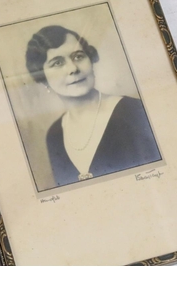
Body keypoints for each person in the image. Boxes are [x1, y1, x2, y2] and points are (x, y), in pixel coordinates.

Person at [25, 25, 161, 187]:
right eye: (57, 63)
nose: (73, 68)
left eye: (78, 56)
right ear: (44, 79)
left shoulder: (134, 112)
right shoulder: (54, 135)